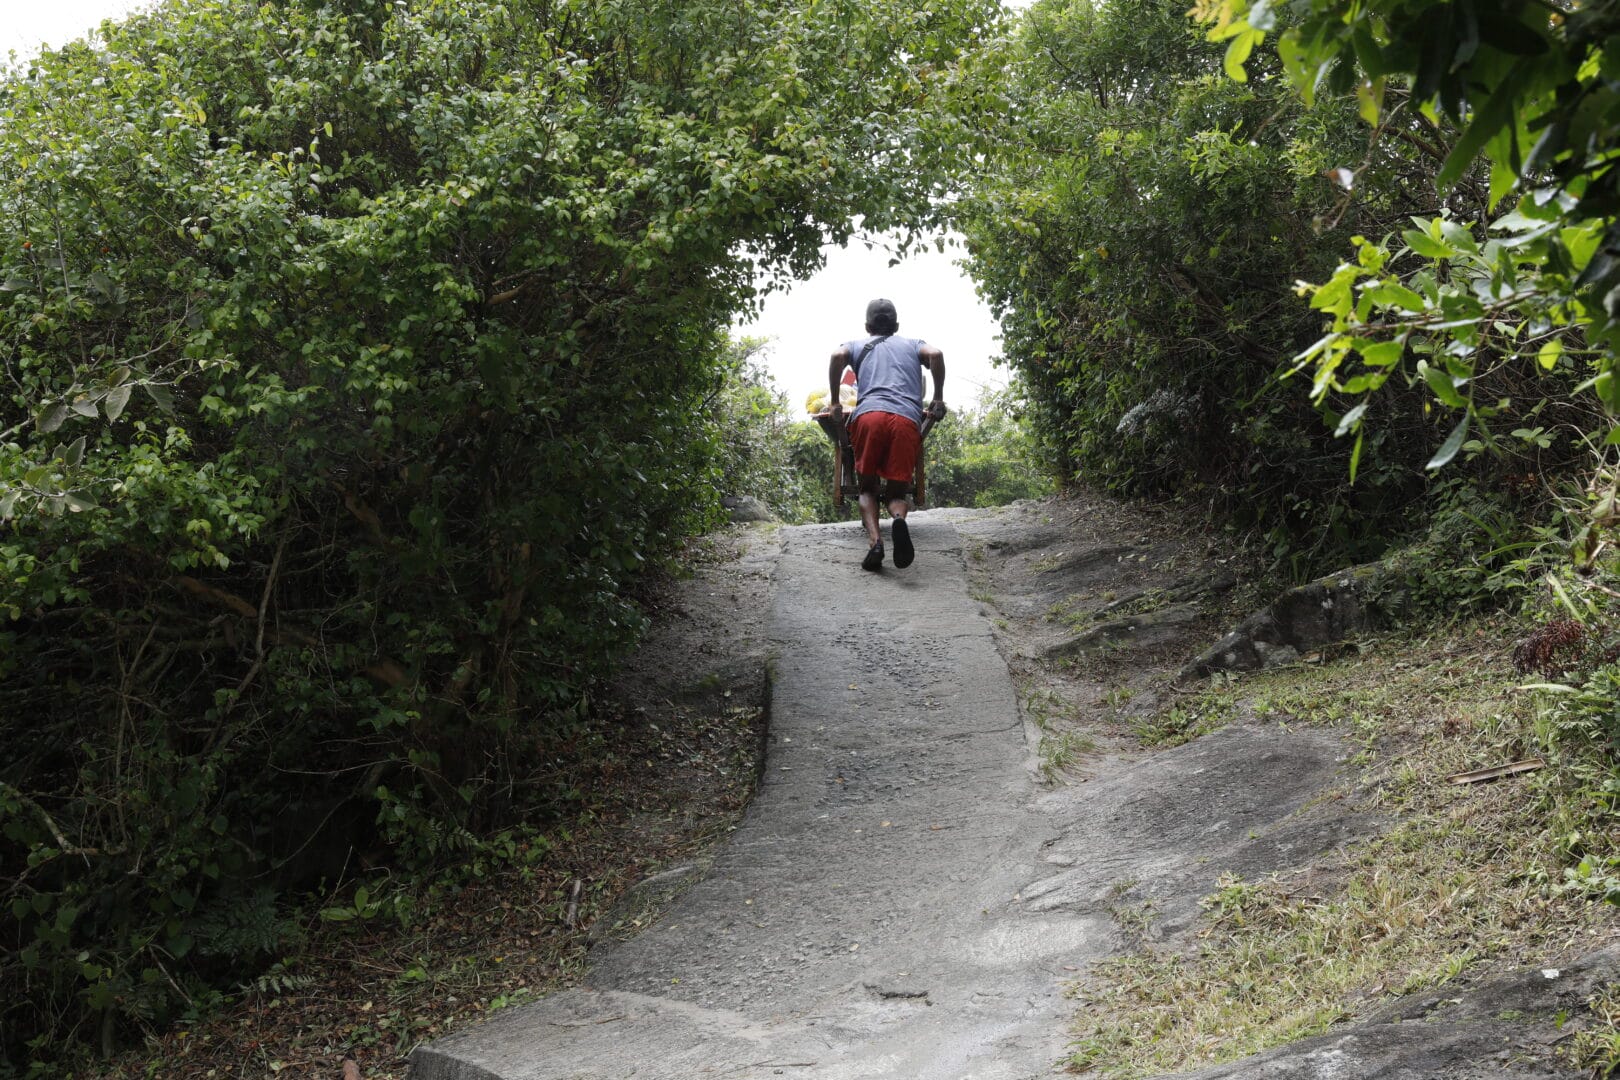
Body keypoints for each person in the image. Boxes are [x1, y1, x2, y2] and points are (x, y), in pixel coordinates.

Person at [827, 298, 945, 572]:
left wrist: (835, 402)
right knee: (896, 491)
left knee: (867, 487)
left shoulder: (856, 345)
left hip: (869, 417)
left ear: (867, 326)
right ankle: (898, 520)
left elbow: (836, 357)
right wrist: (937, 398)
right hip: (905, 420)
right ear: (897, 325)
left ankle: (875, 541)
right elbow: (936, 355)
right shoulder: (914, 344)